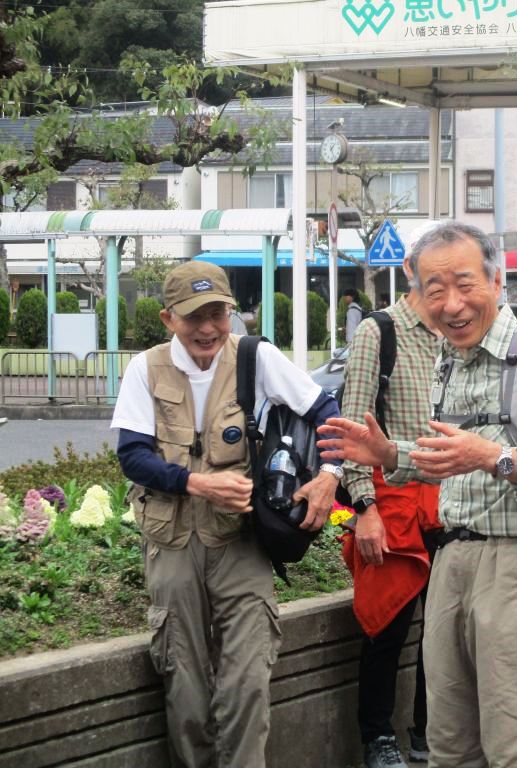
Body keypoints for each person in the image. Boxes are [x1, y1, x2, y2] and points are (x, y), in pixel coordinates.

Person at [318, 221, 517, 768]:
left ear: (496, 280)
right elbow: (450, 465)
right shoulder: (449, 358)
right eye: (435, 289)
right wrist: (389, 455)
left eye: (464, 284)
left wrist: (492, 457)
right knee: (449, 748)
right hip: (450, 562)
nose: (451, 304)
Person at [111, 261, 342, 768]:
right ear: (168, 318)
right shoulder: (145, 368)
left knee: (249, 679)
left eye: (217, 313)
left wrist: (330, 475)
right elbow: (132, 455)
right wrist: (197, 483)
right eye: (194, 316)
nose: (208, 328)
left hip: (241, 542)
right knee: (184, 682)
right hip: (171, 544)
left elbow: (326, 412)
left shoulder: (255, 357)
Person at [341, 262, 443, 768]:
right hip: (392, 504)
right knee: (386, 627)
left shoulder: (456, 333)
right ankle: (377, 737)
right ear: (411, 271)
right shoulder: (378, 331)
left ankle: (429, 732)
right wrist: (364, 508)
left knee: (442, 631)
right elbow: (352, 430)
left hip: (447, 503)